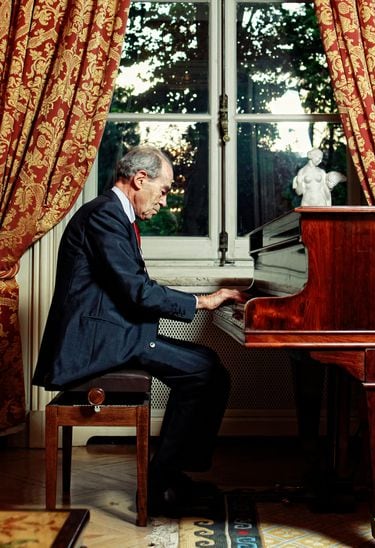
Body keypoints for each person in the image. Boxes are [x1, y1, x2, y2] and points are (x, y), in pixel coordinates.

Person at [32, 145, 245, 516]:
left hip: (114, 332)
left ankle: (170, 476)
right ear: (139, 179)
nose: (164, 200)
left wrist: (194, 300)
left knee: (206, 365)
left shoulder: (114, 216)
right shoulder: (105, 216)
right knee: (203, 370)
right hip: (97, 342)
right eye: (163, 190)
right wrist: (205, 302)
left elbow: (131, 287)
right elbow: (136, 291)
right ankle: (161, 482)